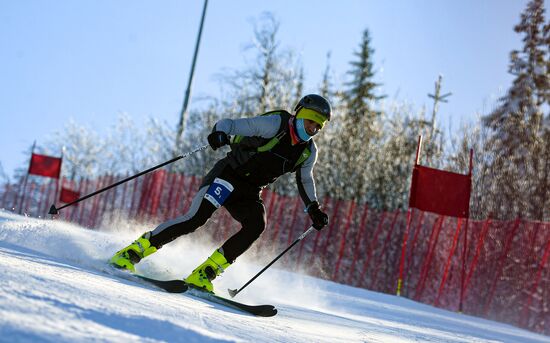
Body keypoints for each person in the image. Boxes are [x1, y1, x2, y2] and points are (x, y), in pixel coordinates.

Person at [110, 94, 331, 293]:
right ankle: (131, 252)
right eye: (310, 122)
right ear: (299, 113)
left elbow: (304, 179)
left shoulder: (308, 152)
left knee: (256, 225)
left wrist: (313, 208)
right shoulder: (275, 124)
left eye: (318, 127)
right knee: (195, 219)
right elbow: (230, 124)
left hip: (250, 192)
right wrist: (219, 133)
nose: (313, 129)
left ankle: (206, 272)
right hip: (228, 176)